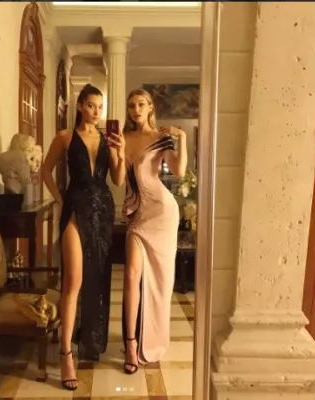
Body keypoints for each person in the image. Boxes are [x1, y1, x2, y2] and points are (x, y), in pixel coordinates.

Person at [41, 83, 126, 390]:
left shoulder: (107, 139)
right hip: (75, 209)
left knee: (97, 278)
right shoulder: (65, 137)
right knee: (74, 281)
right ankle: (66, 354)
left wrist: (121, 152)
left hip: (102, 210)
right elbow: (45, 171)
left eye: (100, 107)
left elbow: (117, 180)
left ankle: (90, 339)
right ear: (79, 106)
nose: (96, 112)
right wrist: (59, 199)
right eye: (91, 105)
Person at [120, 88, 187, 374]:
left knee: (161, 279)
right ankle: (131, 344)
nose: (135, 110)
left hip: (163, 212)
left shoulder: (160, 137)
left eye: (141, 104)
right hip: (138, 215)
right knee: (131, 275)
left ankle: (153, 337)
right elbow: (119, 177)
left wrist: (182, 138)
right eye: (131, 105)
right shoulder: (122, 137)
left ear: (150, 108)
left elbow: (179, 171)